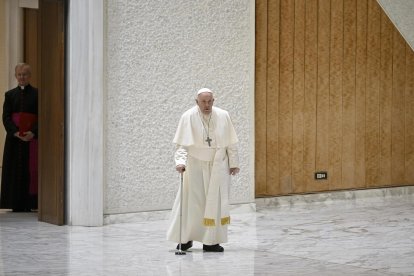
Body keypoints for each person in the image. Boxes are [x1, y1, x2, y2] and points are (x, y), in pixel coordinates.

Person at [167, 87, 240, 252]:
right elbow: (182, 145)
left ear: (213, 101)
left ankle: (211, 241)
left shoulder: (223, 115)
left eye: (209, 101)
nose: (206, 105)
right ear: (196, 102)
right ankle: (185, 239)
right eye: (203, 102)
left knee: (215, 204)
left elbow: (231, 143)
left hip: (218, 166)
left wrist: (234, 163)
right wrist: (180, 162)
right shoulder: (188, 116)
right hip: (195, 167)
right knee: (191, 204)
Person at [0, 63, 38, 212]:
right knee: (14, 168)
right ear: (15, 76)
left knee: (31, 169)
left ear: (30, 76)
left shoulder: (37, 94)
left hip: (32, 140)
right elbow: (5, 117)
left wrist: (33, 132)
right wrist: (15, 132)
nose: (22, 77)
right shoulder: (9, 95)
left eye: (25, 74)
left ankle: (32, 203)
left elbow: (42, 116)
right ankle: (13, 202)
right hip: (14, 140)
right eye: (19, 74)